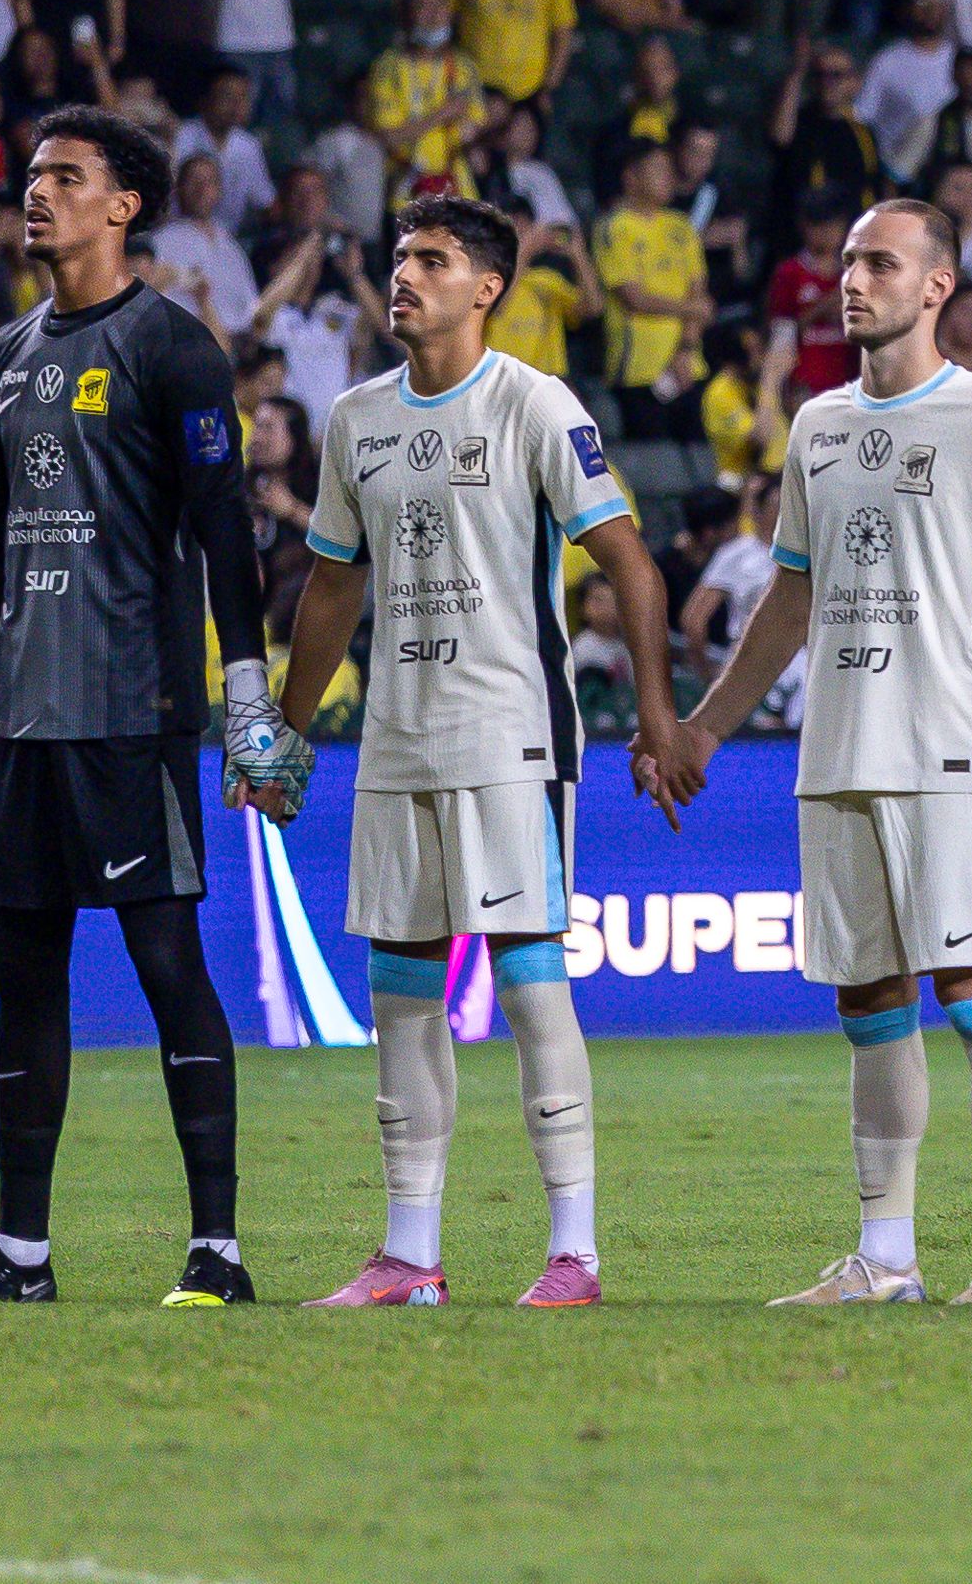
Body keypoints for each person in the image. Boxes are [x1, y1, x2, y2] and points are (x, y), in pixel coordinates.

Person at [643, 199, 972, 1305]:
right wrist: (706, 727)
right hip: (835, 754)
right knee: (868, 1005)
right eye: (846, 258)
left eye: (880, 260)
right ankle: (886, 1256)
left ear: (937, 287)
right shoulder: (816, 425)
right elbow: (790, 595)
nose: (851, 277)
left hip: (950, 752)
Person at [0, 107, 277, 1310]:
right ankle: (22, 1255)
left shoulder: (175, 345)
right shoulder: (5, 355)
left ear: (124, 205)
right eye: (33, 176)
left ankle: (217, 1251)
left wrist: (242, 693)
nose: (36, 194)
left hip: (134, 707)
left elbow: (224, 531)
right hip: (29, 724)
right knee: (21, 967)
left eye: (65, 177)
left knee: (164, 958)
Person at [262, 192, 673, 1311]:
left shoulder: (534, 403)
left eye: (431, 259)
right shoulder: (355, 416)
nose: (405, 274)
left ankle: (575, 1250)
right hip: (397, 737)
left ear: (486, 286)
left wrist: (658, 713)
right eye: (398, 256)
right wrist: (290, 732)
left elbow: (630, 564)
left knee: (532, 984)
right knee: (399, 993)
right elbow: (335, 582)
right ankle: (409, 1255)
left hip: (512, 733)